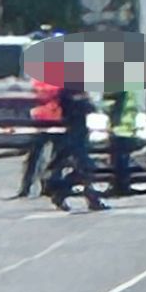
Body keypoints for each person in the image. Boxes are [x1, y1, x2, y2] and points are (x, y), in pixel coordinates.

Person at [44, 73, 108, 212]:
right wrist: (85, 101)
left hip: (78, 134)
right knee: (85, 168)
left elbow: (89, 107)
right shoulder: (69, 93)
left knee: (83, 169)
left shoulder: (73, 92)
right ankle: (64, 193)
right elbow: (84, 108)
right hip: (74, 136)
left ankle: (85, 198)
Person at [105, 84, 141, 197]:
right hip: (127, 128)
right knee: (123, 160)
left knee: (119, 161)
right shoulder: (130, 90)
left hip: (119, 129)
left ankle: (120, 187)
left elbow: (111, 107)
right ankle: (123, 186)